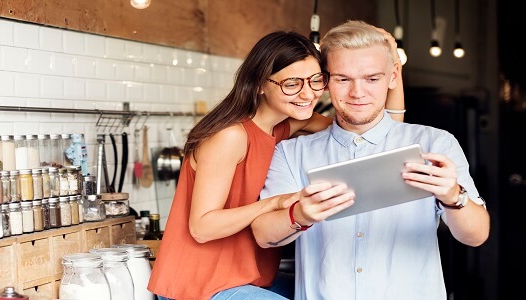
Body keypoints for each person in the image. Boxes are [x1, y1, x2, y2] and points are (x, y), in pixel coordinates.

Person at [148, 28, 405, 300]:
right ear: (260, 84)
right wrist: (274, 202)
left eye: (315, 80)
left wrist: (392, 66)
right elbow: (202, 227)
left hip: (246, 278)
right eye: (292, 84)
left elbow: (379, 133)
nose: (308, 94)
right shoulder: (230, 136)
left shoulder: (288, 125)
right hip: (199, 284)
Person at [250, 20, 490, 300]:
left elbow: (477, 236)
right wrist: (301, 215)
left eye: (372, 79)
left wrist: (452, 196)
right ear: (326, 82)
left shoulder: (436, 143)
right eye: (343, 79)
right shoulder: (292, 153)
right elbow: (264, 235)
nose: (357, 93)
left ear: (392, 77)